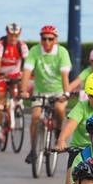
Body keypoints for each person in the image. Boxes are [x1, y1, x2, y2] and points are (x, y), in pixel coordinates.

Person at [22, 24, 71, 163]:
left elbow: (64, 76)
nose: (47, 42)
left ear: (56, 40)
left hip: (58, 90)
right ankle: (33, 150)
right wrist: (23, 90)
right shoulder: (35, 51)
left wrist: (66, 93)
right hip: (40, 90)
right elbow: (26, 72)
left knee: (59, 109)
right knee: (35, 117)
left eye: (50, 39)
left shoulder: (62, 52)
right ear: (40, 39)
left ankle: (58, 132)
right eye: (44, 39)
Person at [0, 23, 29, 124]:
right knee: (0, 98)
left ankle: (18, 102)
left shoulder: (22, 45)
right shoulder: (1, 45)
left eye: (16, 36)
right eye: (11, 35)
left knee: (23, 81)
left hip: (15, 74)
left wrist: (25, 74)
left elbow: (28, 64)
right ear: (7, 33)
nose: (13, 38)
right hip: (2, 74)